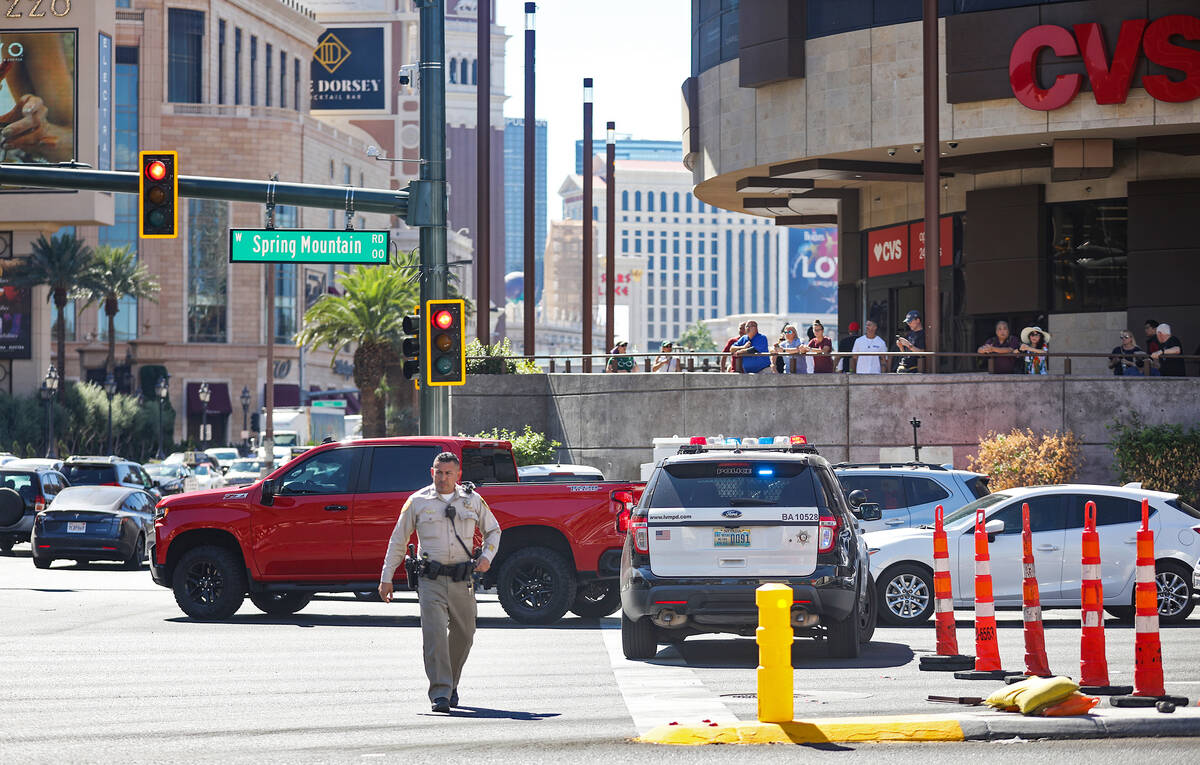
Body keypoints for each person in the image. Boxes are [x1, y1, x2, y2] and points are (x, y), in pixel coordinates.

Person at [379, 452, 502, 713]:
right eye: (438, 472)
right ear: (431, 472)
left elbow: (493, 530)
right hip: (430, 580)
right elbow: (398, 540)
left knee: (465, 633)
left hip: (462, 578)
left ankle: (451, 682)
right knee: (434, 635)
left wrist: (488, 557)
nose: (442, 477)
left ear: (458, 475)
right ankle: (440, 692)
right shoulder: (417, 501)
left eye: (448, 473)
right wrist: (386, 577)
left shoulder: (472, 499)